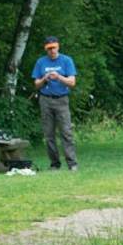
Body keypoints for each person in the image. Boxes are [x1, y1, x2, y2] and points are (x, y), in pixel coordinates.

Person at [32, 35, 78, 171]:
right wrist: (44, 79)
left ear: (58, 47)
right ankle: (55, 164)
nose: (52, 51)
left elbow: (72, 82)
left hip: (62, 100)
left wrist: (58, 77)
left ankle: (72, 164)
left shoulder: (66, 60)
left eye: (54, 48)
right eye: (49, 49)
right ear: (46, 49)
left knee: (66, 132)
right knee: (49, 134)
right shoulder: (41, 62)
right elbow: (36, 84)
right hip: (45, 100)